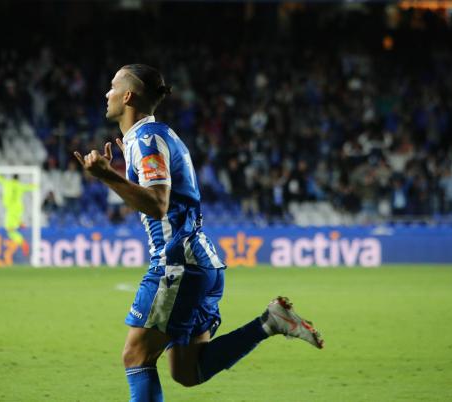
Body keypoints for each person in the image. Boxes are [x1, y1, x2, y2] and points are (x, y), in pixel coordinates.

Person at [73, 64, 324, 402]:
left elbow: (158, 204)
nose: (107, 94)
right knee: (187, 371)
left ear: (128, 95)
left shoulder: (147, 140)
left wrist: (109, 177)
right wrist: (119, 174)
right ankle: (269, 323)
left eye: (112, 87)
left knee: (136, 356)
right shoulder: (150, 138)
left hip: (178, 263)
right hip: (199, 262)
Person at [0, 163, 36, 256]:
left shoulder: (6, 182)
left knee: (10, 231)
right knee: (11, 228)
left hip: (11, 209)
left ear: (12, 178)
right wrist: (34, 184)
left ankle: (23, 243)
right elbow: (32, 187)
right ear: (18, 179)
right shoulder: (21, 186)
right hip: (18, 209)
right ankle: (20, 223)